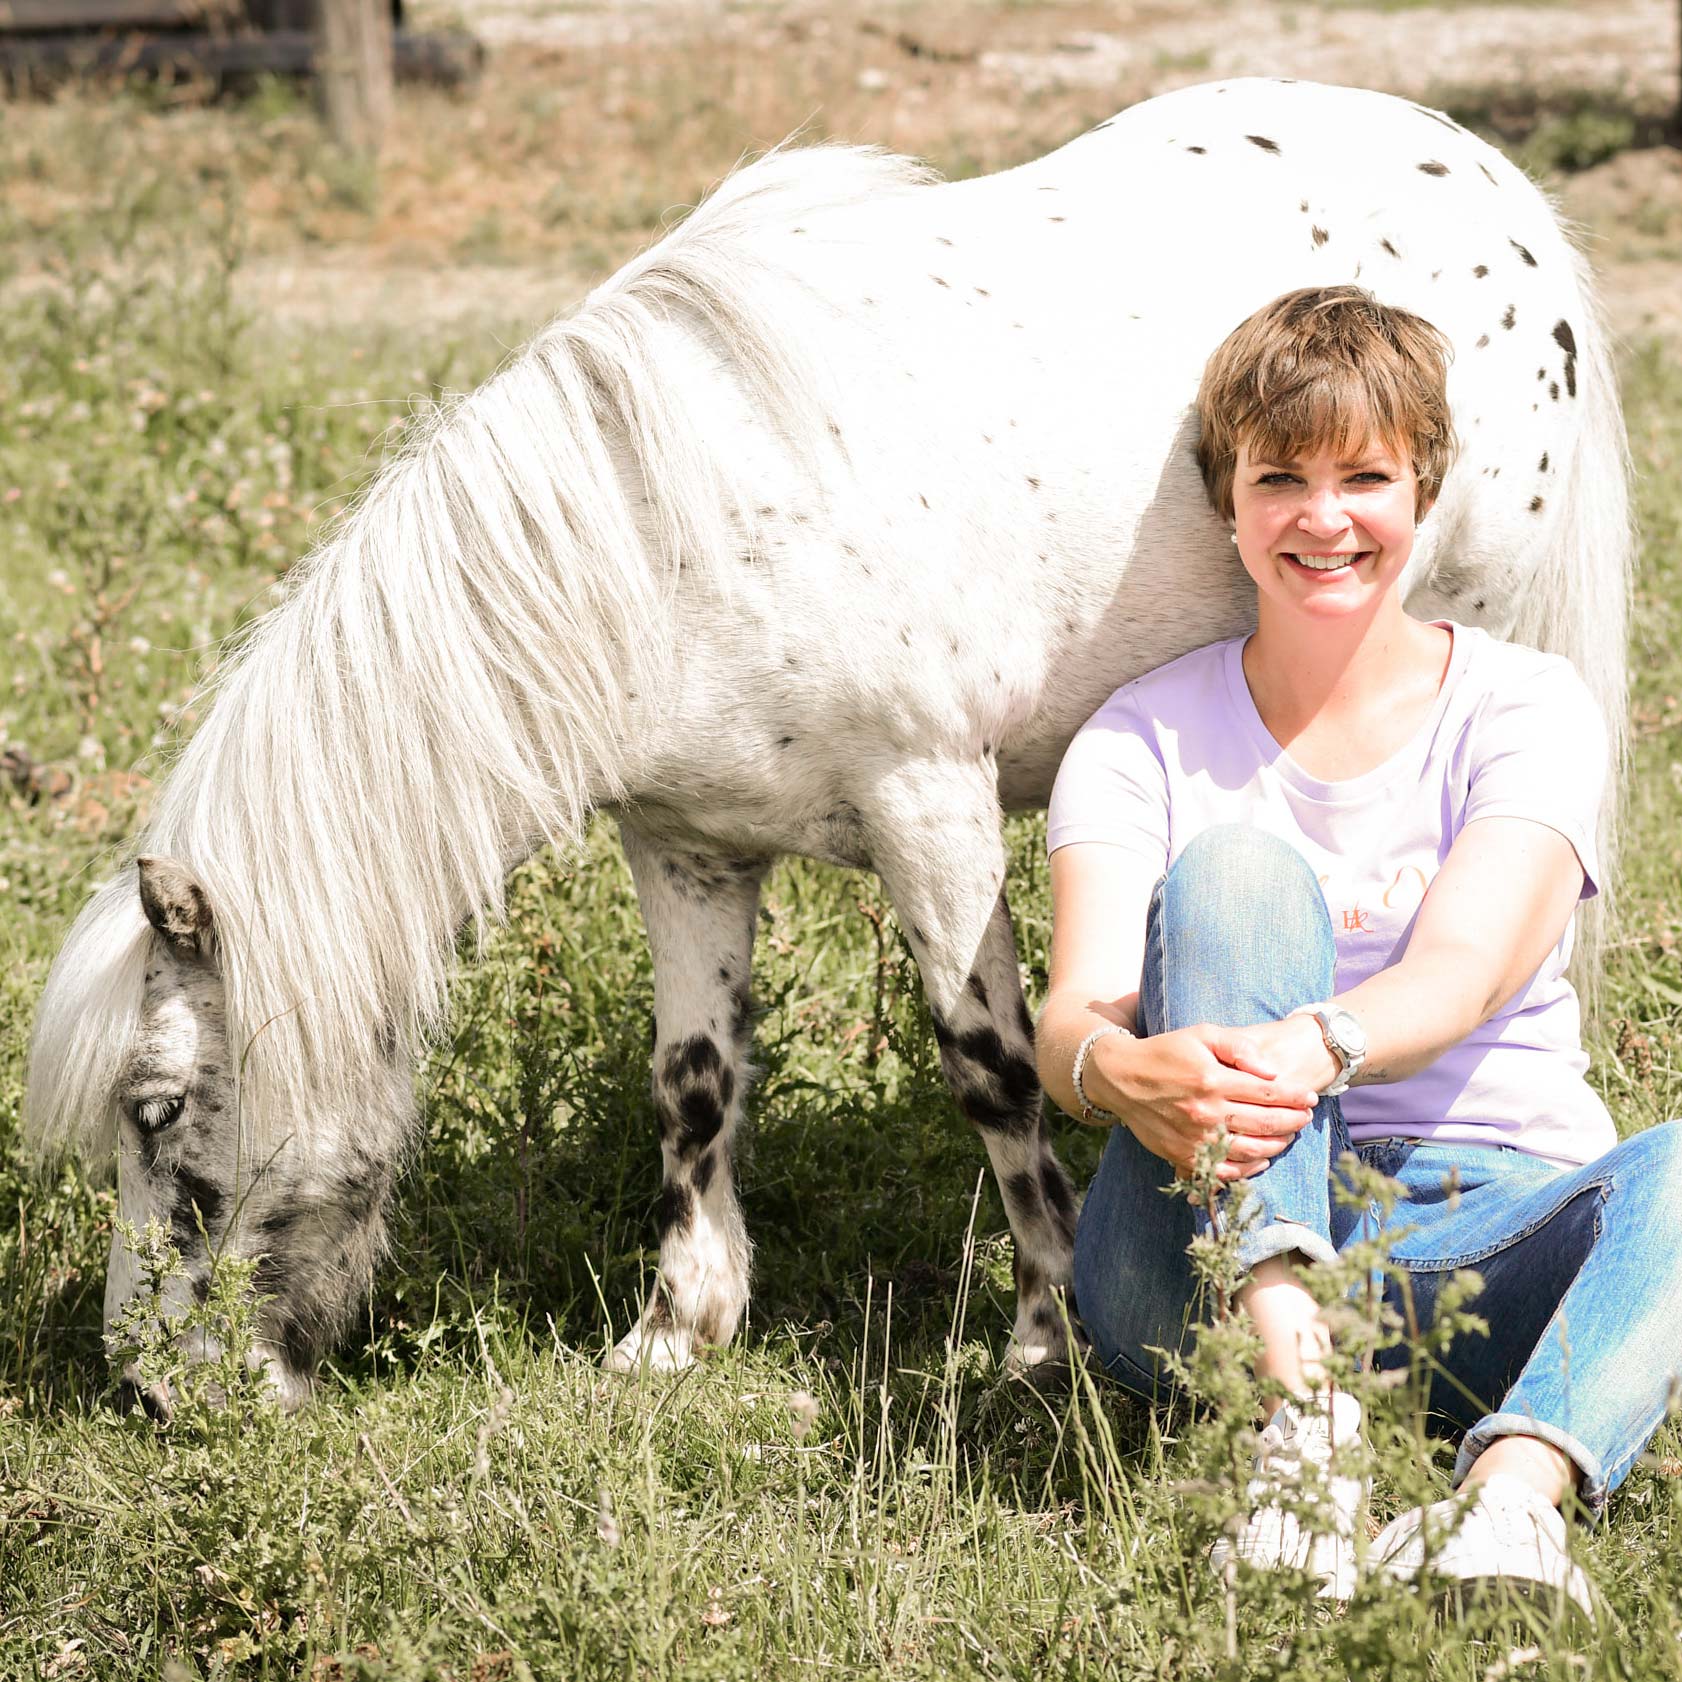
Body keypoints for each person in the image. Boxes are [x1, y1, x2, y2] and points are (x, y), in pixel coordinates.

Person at [1036, 285, 1679, 1613]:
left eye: (1363, 476)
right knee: (1235, 873)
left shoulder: (1522, 705)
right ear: (1226, 500)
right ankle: (1303, 1434)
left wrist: (1314, 1037)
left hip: (1492, 1239)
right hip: (1199, 1258)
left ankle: (1504, 1509)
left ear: (1422, 488)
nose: (1321, 519)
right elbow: (1069, 1015)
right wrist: (1116, 1071)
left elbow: (1468, 968)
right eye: (1279, 477)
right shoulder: (1137, 737)